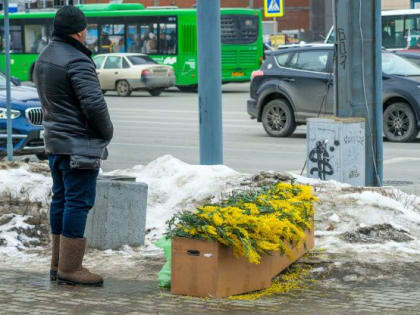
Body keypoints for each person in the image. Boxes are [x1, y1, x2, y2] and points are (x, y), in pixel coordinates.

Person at [33, 6, 113, 287]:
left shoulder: (45, 57)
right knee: (78, 203)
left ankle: (58, 264)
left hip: (55, 142)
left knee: (62, 200)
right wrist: (107, 131)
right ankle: (71, 267)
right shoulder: (77, 60)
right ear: (80, 32)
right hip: (79, 145)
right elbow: (93, 104)